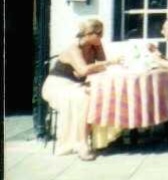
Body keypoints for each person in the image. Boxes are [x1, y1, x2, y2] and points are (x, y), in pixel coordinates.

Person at [41, 19, 121, 161]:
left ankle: (100, 139)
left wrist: (96, 65)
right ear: (88, 34)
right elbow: (85, 70)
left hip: (76, 84)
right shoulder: (73, 49)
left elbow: (100, 68)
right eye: (99, 33)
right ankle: (81, 144)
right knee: (84, 99)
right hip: (57, 85)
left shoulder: (95, 46)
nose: (101, 36)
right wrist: (103, 64)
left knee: (100, 94)